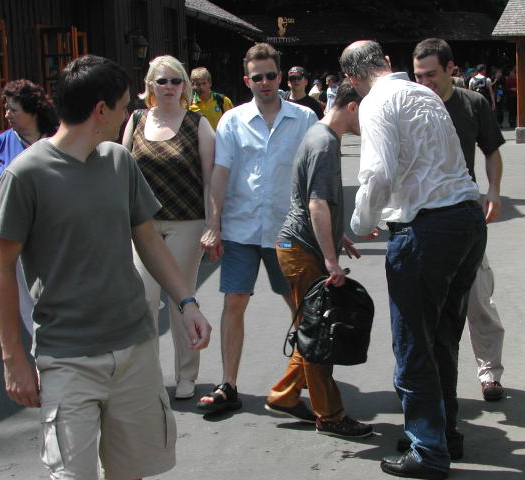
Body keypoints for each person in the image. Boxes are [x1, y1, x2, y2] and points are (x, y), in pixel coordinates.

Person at [0, 55, 211, 479]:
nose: (129, 114)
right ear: (101, 110)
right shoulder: (25, 174)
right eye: (125, 106)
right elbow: (0, 272)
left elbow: (148, 239)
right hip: (66, 357)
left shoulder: (119, 161)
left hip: (135, 349)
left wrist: (187, 302)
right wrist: (12, 358)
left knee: (131, 471)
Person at [340, 40, 486, 480]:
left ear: (351, 78)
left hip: (427, 227)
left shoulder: (375, 102)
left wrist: (360, 220)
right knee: (442, 337)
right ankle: (443, 433)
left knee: (413, 343)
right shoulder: (425, 93)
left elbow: (379, 173)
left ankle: (427, 449)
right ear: (386, 61)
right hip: (466, 219)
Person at [197, 42, 317, 414]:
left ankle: (299, 381)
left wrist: (326, 224)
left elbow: (316, 174)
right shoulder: (233, 121)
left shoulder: (304, 118)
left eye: (270, 76)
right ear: (246, 80)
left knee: (298, 306)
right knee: (233, 302)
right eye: (256, 77)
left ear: (280, 77)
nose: (264, 83)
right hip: (241, 227)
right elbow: (220, 174)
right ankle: (228, 384)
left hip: (287, 229)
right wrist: (213, 224)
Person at [265, 80, 372, 438]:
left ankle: (284, 396)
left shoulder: (319, 135)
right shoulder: (325, 142)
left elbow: (310, 199)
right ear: (353, 107)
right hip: (302, 250)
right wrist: (331, 259)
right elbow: (315, 203)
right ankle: (330, 415)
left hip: (298, 245)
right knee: (321, 333)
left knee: (311, 330)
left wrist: (337, 236)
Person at [413, 38, 506, 404]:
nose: (425, 83)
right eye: (419, 76)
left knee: (478, 300)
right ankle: (435, 380)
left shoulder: (472, 103)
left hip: (466, 217)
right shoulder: (411, 106)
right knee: (430, 309)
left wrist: (494, 190)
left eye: (431, 74)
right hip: (424, 220)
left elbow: (492, 151)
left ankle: (490, 372)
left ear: (451, 69)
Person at [122, 55, 215, 400]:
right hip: (142, 225)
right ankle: (145, 375)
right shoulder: (136, 119)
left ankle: (187, 374)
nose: (169, 87)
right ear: (150, 85)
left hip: (186, 221)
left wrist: (213, 223)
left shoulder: (197, 124)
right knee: (143, 299)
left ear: (184, 86)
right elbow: (121, 170)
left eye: (176, 81)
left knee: (181, 299)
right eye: (162, 81)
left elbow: (210, 180)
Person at [0, 79, 58, 334]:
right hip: (16, 234)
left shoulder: (57, 137)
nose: (7, 114)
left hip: (57, 230)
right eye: (5, 108)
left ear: (32, 110)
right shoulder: (1, 143)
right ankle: (41, 346)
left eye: (13, 109)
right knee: (28, 299)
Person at [189, 66, 234, 130]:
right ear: (192, 86)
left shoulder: (222, 101)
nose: (201, 87)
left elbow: (233, 122)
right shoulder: (188, 104)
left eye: (204, 83)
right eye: (198, 84)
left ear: (210, 83)